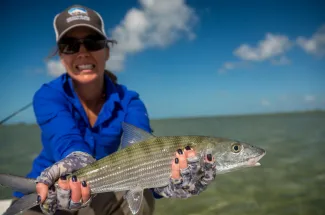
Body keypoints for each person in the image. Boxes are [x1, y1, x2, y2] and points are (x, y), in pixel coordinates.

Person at [12, 4, 217, 215]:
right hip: (48, 191)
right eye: (70, 45)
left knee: (142, 198)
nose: (82, 52)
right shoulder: (48, 95)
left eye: (92, 43)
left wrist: (166, 184)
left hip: (100, 191)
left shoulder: (130, 101)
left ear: (107, 51)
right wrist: (76, 160)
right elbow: (64, 136)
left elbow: (146, 151)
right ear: (61, 56)